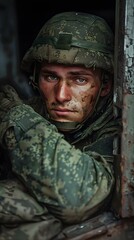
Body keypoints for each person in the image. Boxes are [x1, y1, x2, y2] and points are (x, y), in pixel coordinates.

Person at [0, 11, 121, 239]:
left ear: (105, 86)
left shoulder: (118, 132)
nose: (62, 95)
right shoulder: (28, 111)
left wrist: (18, 120)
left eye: (79, 79)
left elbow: (78, 198)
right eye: (51, 77)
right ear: (36, 80)